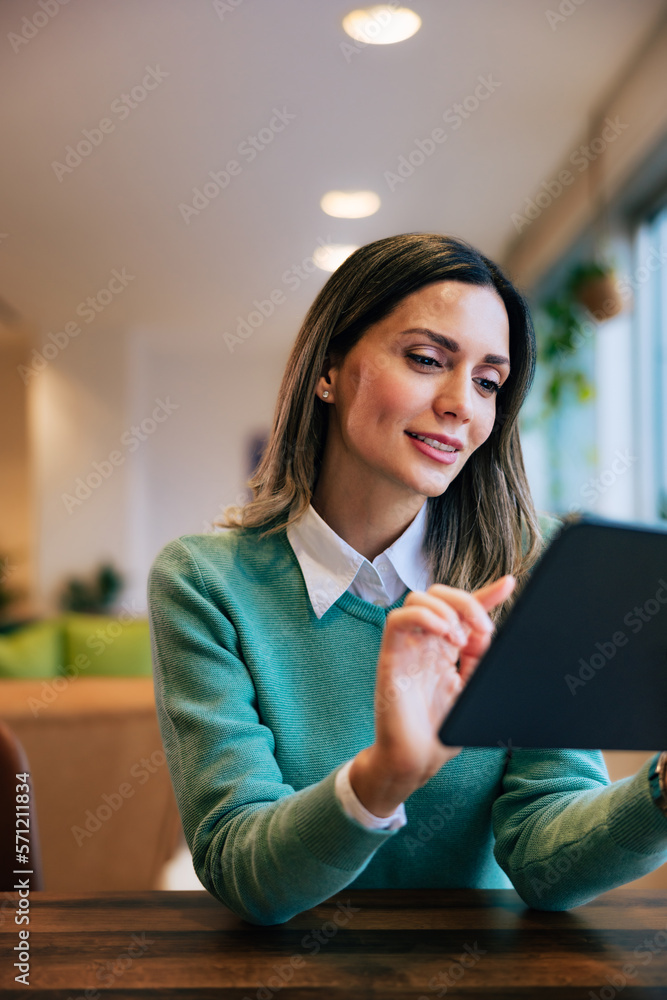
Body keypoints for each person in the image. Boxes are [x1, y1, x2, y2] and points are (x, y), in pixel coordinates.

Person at [147, 232, 667, 926]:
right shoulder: (205, 584)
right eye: (427, 359)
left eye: (488, 381)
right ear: (328, 369)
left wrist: (662, 789)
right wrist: (383, 777)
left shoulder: (531, 568)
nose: (462, 404)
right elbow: (244, 871)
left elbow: (547, 864)